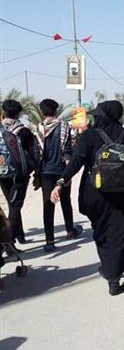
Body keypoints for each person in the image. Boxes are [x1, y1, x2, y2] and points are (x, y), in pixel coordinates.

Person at [51, 101, 124, 295]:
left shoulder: (89, 136)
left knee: (102, 233)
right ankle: (113, 273)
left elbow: (76, 161)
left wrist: (61, 181)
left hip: (95, 194)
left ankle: (109, 269)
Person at [34, 98, 82, 252]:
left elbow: (36, 154)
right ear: (56, 111)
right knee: (65, 201)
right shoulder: (64, 127)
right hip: (61, 170)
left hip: (45, 172)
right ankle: (70, 231)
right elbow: (68, 151)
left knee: (48, 205)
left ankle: (49, 241)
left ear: (42, 112)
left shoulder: (38, 129)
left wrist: (36, 173)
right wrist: (69, 173)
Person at [0, 99, 37, 245]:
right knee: (15, 205)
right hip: (19, 174)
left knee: (12, 204)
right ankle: (8, 242)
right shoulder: (24, 131)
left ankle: (20, 235)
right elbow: (33, 153)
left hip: (2, 172)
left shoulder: (1, 129)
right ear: (18, 114)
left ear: (3, 112)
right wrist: (34, 170)